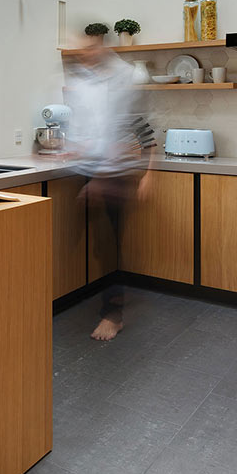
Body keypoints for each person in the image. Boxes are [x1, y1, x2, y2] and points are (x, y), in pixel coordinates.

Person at [60, 31, 153, 341]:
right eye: (81, 50)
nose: (84, 54)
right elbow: (88, 130)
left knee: (108, 245)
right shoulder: (84, 83)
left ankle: (113, 315)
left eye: (90, 48)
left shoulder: (120, 81)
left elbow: (126, 135)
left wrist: (102, 179)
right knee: (88, 243)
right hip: (92, 171)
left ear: (101, 48)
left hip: (113, 175)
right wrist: (73, 149)